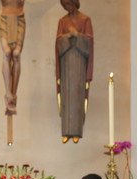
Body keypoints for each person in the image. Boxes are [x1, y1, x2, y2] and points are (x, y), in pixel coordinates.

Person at [55, 0, 93, 142]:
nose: (67, 8)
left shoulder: (85, 20)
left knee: (77, 96)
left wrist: (77, 35)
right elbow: (58, 43)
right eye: (64, 6)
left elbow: (89, 43)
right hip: (65, 64)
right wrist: (67, 37)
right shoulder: (62, 21)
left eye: (68, 4)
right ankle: (66, 132)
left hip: (79, 64)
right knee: (66, 97)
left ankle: (76, 132)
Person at [0, 0, 25, 116]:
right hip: (5, 18)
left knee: (16, 54)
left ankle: (13, 94)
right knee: (6, 52)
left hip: (19, 19)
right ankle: (8, 93)